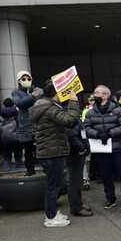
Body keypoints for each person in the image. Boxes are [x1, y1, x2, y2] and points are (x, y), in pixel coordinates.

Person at [30, 80, 81, 227]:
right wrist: (73, 102)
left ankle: (52, 212)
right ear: (57, 93)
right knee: (53, 186)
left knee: (53, 184)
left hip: (48, 151)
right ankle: (51, 218)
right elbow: (70, 120)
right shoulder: (50, 109)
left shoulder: (42, 106)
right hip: (52, 152)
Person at [84, 85, 121, 209]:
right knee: (106, 175)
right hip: (100, 149)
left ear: (105, 96)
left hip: (117, 148)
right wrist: (98, 135)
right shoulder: (90, 112)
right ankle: (110, 198)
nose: (94, 95)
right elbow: (86, 128)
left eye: (97, 93)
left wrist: (110, 134)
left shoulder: (118, 111)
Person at [11, 70, 41, 175]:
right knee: (28, 151)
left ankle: (44, 169)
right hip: (25, 125)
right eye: (23, 79)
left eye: (29, 78)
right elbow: (18, 103)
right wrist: (32, 96)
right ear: (19, 81)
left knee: (41, 149)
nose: (27, 80)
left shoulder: (38, 90)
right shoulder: (16, 92)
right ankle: (30, 171)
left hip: (38, 123)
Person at [65, 119, 92, 217]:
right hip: (75, 154)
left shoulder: (73, 116)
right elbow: (71, 135)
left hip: (78, 152)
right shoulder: (69, 116)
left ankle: (77, 205)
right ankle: (76, 207)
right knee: (74, 181)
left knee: (76, 180)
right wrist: (82, 148)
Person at [0, 98, 22, 171]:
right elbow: (21, 126)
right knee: (18, 156)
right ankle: (20, 171)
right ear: (13, 105)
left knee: (6, 157)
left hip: (4, 141)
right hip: (17, 140)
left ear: (4, 105)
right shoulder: (17, 115)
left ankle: (7, 172)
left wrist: (0, 136)